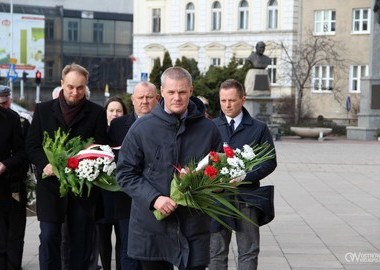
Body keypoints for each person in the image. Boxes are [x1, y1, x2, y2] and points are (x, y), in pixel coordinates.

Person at [116, 67, 223, 270]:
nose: (177, 97)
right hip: (152, 226)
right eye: (171, 92)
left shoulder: (208, 129)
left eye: (182, 92)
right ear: (162, 92)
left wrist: (211, 182)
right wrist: (154, 198)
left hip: (194, 225)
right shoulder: (141, 128)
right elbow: (125, 173)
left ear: (191, 91)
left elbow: (218, 170)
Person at [26, 63, 108, 270]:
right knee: (49, 237)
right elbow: (32, 145)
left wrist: (86, 161)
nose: (75, 92)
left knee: (79, 242)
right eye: (71, 87)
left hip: (82, 190)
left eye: (80, 88)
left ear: (86, 86)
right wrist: (45, 164)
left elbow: (101, 148)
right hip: (51, 188)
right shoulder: (44, 110)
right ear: (62, 83)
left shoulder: (97, 113)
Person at [209, 79, 277, 270]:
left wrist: (245, 178)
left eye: (231, 100)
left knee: (248, 250)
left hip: (247, 197)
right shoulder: (211, 126)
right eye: (223, 101)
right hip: (217, 198)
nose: (227, 105)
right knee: (215, 251)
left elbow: (270, 161)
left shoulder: (258, 128)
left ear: (243, 99)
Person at [108, 81, 159, 270]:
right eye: (140, 97)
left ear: (157, 99)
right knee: (128, 250)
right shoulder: (117, 125)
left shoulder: (167, 123)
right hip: (126, 198)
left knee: (157, 252)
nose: (145, 101)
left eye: (149, 97)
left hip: (158, 198)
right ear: (133, 100)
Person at [97, 96, 128, 270]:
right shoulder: (100, 132)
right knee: (103, 235)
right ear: (106, 113)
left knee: (122, 237)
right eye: (111, 110)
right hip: (103, 193)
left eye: (118, 110)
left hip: (122, 193)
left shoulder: (129, 131)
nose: (115, 114)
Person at [0, 85, 29, 270]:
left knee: (7, 240)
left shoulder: (11, 118)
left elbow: (22, 153)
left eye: (4, 101)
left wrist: (5, 165)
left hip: (5, 186)